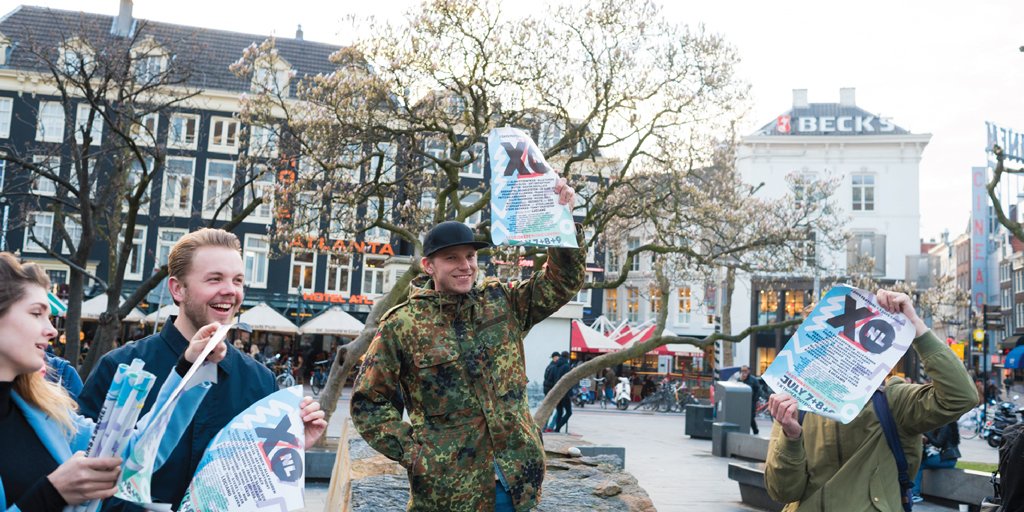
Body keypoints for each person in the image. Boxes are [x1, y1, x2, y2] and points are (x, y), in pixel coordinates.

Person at [350, 178, 584, 512]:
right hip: (448, 493)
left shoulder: (503, 302)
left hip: (519, 480)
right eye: (452, 258)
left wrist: (561, 220)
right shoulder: (401, 325)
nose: (466, 266)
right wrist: (416, 454)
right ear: (428, 265)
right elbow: (368, 402)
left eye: (471, 256)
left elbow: (563, 282)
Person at [77, 229, 327, 512]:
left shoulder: (260, 382)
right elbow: (79, 473)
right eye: (215, 279)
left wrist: (292, 444)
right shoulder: (120, 368)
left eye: (238, 280)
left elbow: (260, 490)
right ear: (177, 289)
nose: (230, 290)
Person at [0, 252, 219, 512]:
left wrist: (188, 367)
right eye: (36, 313)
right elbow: (51, 494)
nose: (51, 330)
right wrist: (53, 493)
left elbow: (132, 455)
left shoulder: (44, 411)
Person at [765, 289, 977, 512]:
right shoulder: (795, 409)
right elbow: (782, 492)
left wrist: (915, 326)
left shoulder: (892, 402)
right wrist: (791, 437)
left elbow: (961, 397)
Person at [910, 421, 960, 503]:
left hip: (947, 459)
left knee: (919, 464)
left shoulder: (946, 425)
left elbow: (938, 443)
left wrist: (925, 433)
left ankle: (915, 494)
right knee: (919, 462)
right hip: (948, 458)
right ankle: (913, 493)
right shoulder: (949, 424)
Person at [731, 365, 762, 435]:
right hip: (742, 401)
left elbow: (758, 391)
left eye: (745, 371)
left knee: (750, 417)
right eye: (742, 371)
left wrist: (756, 400)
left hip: (751, 401)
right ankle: (753, 430)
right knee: (744, 416)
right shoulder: (739, 379)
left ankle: (753, 430)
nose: (744, 372)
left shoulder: (753, 380)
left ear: (748, 371)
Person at [553, 350, 573, 433]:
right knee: (569, 412)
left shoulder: (556, 365)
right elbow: (569, 380)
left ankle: (557, 429)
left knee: (559, 411)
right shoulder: (566, 366)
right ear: (567, 357)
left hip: (557, 392)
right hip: (565, 392)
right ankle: (557, 428)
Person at [542, 352, 561, 432]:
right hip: (551, 391)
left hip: (547, 390)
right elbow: (555, 380)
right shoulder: (554, 367)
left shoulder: (549, 366)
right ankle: (549, 426)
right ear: (556, 357)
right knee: (554, 410)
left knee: (549, 410)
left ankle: (545, 426)